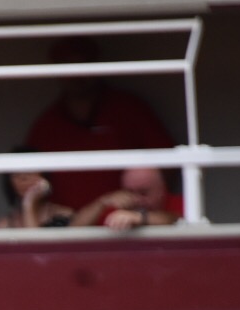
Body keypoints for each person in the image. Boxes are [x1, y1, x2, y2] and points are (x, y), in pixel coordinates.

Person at [21, 36, 175, 213]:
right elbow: (28, 179)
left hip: (123, 223)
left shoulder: (128, 109)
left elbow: (167, 165)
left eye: (82, 65)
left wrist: (144, 208)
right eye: (67, 67)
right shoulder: (47, 124)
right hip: (67, 226)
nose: (76, 75)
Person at [69, 166, 182, 230]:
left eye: (143, 193)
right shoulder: (119, 209)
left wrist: (138, 217)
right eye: (130, 192)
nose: (137, 199)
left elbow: (175, 219)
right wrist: (102, 202)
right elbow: (73, 230)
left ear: (162, 190)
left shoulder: (180, 203)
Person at [0, 149, 74, 228]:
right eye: (16, 173)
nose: (23, 178)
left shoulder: (64, 215)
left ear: (43, 175)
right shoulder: (4, 225)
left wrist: (29, 204)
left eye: (29, 171)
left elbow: (37, 241)